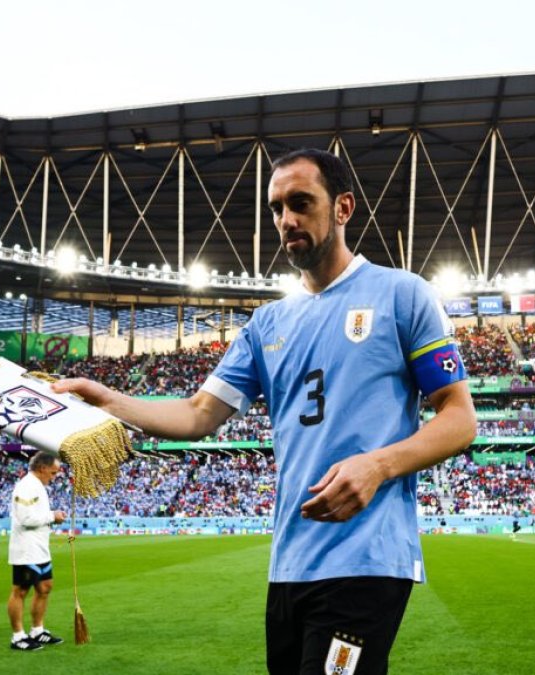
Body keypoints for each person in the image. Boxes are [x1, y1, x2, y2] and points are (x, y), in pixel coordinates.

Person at [53, 148, 477, 675]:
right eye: (276, 208)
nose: (286, 220)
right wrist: (106, 398)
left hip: (366, 558)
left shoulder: (402, 294)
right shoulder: (266, 325)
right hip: (290, 565)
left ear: (343, 208)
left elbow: (460, 418)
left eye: (301, 203)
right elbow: (197, 414)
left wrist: (379, 465)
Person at [7, 451, 68, 651]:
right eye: (53, 472)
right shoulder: (26, 487)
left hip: (40, 548)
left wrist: (51, 518)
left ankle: (37, 631)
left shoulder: (38, 486)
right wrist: (53, 516)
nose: (55, 476)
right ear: (42, 468)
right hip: (26, 550)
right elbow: (26, 519)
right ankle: (18, 636)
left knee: (45, 587)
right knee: (20, 591)